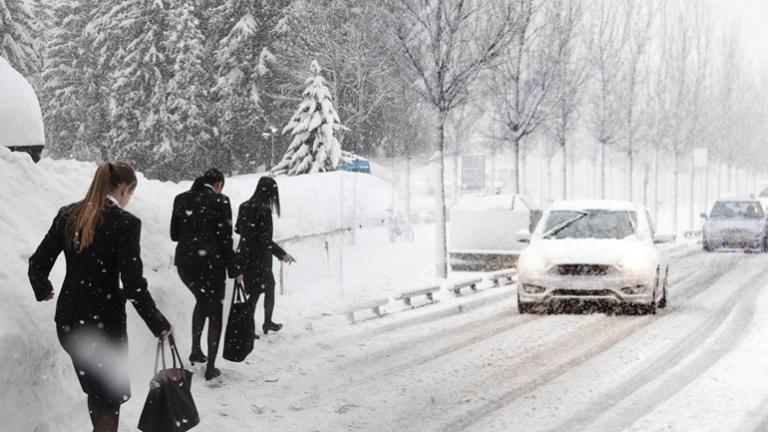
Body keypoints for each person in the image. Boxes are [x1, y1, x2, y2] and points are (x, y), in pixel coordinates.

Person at [28, 162, 172, 432]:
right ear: (126, 189)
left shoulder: (68, 215)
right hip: (103, 325)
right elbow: (134, 286)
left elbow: (37, 264)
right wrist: (159, 324)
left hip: (69, 323)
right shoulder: (126, 224)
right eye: (130, 194)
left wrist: (42, 288)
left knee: (98, 393)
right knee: (108, 402)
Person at [172, 168, 240, 380]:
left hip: (185, 264)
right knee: (215, 311)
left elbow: (174, 235)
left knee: (201, 300)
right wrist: (234, 270)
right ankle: (211, 367)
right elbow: (225, 239)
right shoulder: (221, 201)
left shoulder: (180, 199)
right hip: (212, 264)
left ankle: (195, 350)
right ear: (218, 183)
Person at [235, 176, 295, 335]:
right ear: (271, 193)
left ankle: (253, 327)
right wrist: (282, 254)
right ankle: (265, 323)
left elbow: (238, 230)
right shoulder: (264, 210)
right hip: (259, 258)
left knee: (254, 292)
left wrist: (249, 234)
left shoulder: (244, 206)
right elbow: (265, 240)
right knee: (267, 288)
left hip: (244, 255)